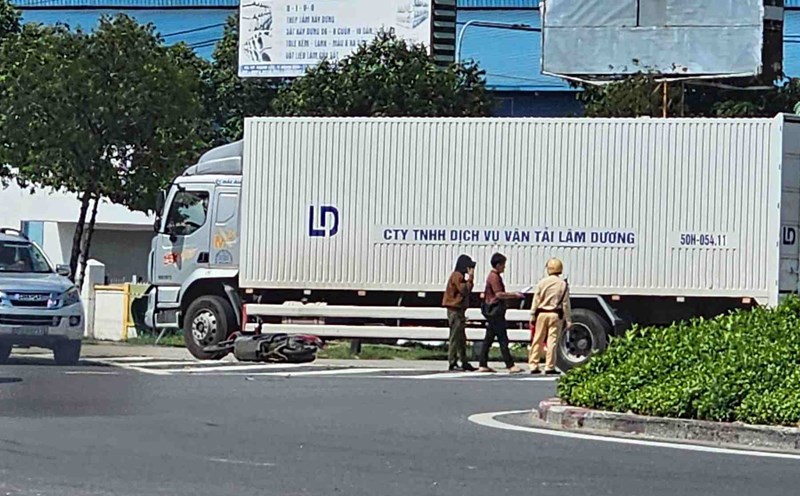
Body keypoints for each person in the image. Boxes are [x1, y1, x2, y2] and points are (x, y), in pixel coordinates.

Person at [479, 253, 524, 373]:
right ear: (498, 264)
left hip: (494, 312)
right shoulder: (494, 277)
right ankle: (510, 365)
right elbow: (499, 294)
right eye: (503, 264)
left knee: (489, 339)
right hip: (496, 312)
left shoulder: (493, 276)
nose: (504, 267)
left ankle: (482, 363)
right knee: (503, 339)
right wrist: (514, 295)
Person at [529, 258, 572, 375]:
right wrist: (568, 320)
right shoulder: (563, 284)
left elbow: (536, 300)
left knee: (537, 339)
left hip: (541, 314)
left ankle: (533, 364)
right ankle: (549, 366)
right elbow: (565, 304)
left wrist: (532, 315)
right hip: (555, 314)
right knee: (552, 340)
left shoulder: (542, 282)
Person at [442, 254, 477, 372]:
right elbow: (464, 290)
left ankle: (463, 361)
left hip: (458, 310)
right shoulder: (457, 276)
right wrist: (471, 277)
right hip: (455, 310)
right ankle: (452, 361)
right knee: (455, 337)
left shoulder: (459, 276)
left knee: (461, 337)